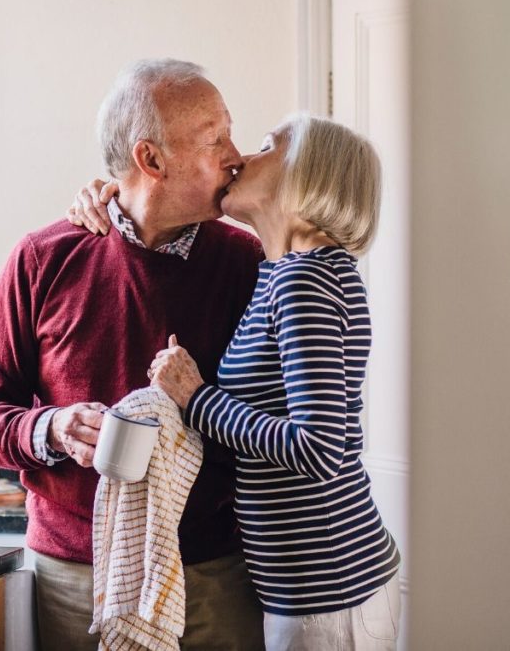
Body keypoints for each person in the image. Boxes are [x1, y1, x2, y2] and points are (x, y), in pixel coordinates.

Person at [0, 59, 266, 650]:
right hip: (74, 577)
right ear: (150, 160)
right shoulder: (42, 258)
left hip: (215, 573)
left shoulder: (248, 263)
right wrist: (49, 427)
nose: (236, 154)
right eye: (214, 139)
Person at [142, 114, 402, 650]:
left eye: (266, 147)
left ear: (307, 175)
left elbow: (319, 448)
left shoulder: (305, 280)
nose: (240, 158)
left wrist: (195, 398)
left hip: (328, 592)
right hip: (316, 588)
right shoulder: (286, 273)